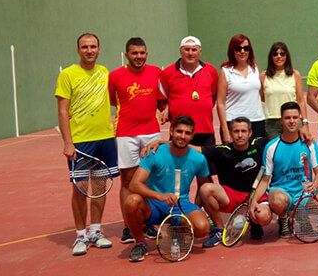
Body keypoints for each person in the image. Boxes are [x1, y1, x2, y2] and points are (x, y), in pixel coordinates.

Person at [55, 33, 118, 256]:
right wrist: (67, 142)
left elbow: (116, 99)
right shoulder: (67, 75)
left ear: (99, 50)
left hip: (105, 139)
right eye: (84, 47)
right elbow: (62, 110)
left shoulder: (104, 73)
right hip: (80, 142)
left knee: (100, 187)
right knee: (80, 189)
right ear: (78, 50)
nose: (89, 50)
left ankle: (96, 231)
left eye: (93, 47)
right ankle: (80, 235)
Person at [123, 116, 212, 262]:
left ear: (192, 135)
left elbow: (203, 188)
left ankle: (177, 230)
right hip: (154, 204)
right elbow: (134, 184)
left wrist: (195, 212)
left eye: (187, 133)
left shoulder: (199, 159)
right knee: (132, 201)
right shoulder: (154, 152)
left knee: (202, 227)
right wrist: (160, 196)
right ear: (171, 131)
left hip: (180, 204)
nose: (183, 136)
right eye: (179, 131)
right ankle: (140, 243)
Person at [250, 102, 318, 237]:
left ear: (300, 120)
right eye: (287, 118)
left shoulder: (310, 144)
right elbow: (265, 179)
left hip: (305, 193)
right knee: (276, 202)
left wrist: (315, 185)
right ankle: (284, 218)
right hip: (282, 193)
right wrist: (254, 200)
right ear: (281, 121)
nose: (291, 121)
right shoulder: (271, 147)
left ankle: (300, 215)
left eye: (295, 117)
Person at [108, 37, 163, 243]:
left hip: (151, 132)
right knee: (128, 181)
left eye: (142, 53)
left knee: (150, 179)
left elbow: (161, 99)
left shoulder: (156, 72)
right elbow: (114, 100)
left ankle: (148, 221)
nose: (138, 57)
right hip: (126, 133)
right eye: (134, 53)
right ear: (127, 55)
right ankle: (129, 226)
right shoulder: (115, 76)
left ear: (146, 53)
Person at [198, 117, 272, 247]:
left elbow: (283, 138)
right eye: (236, 131)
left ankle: (254, 222)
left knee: (264, 217)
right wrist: (165, 143)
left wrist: (301, 129)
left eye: (243, 131)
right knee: (205, 189)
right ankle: (220, 230)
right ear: (231, 133)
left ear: (250, 133)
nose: (239, 135)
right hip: (231, 196)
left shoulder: (260, 144)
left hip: (256, 194)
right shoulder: (223, 150)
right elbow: (194, 149)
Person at [158, 36, 219, 146]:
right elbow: (161, 99)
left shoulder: (211, 70)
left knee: (206, 162)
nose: (190, 53)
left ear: (200, 51)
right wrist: (167, 107)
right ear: (180, 51)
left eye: (194, 49)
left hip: (205, 131)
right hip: (180, 132)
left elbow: (214, 95)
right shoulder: (168, 73)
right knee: (178, 163)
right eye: (187, 49)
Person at [217, 34, 266, 143]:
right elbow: (220, 103)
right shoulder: (225, 71)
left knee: (256, 158)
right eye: (238, 48)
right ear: (232, 51)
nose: (242, 51)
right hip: (234, 123)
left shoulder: (254, 68)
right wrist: (225, 130)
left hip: (257, 121)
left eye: (246, 48)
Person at [260, 42, 310, 142]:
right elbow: (262, 98)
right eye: (275, 54)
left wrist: (305, 123)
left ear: (286, 56)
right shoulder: (263, 76)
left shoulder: (295, 74)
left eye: (282, 54)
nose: (279, 57)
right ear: (271, 57)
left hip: (293, 121)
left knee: (295, 151)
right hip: (272, 123)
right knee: (275, 153)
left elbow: (300, 101)